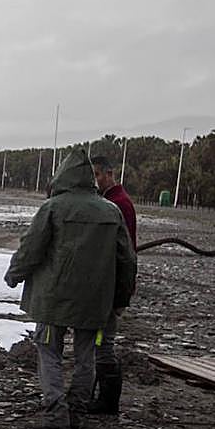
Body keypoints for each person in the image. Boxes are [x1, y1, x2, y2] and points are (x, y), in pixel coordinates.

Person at [4, 150, 137, 429]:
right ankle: (76, 415)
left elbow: (31, 248)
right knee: (85, 357)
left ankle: (56, 418)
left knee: (49, 354)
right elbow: (127, 259)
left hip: (53, 301)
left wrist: (14, 274)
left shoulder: (52, 208)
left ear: (62, 176)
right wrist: (121, 299)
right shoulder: (110, 211)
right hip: (95, 302)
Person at [90, 154, 138, 415]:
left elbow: (127, 254)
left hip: (112, 288)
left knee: (103, 343)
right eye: (93, 176)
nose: (95, 180)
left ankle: (108, 402)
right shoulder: (110, 202)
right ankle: (102, 398)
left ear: (109, 174)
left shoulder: (120, 205)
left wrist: (123, 294)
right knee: (100, 342)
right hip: (106, 286)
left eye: (98, 175)